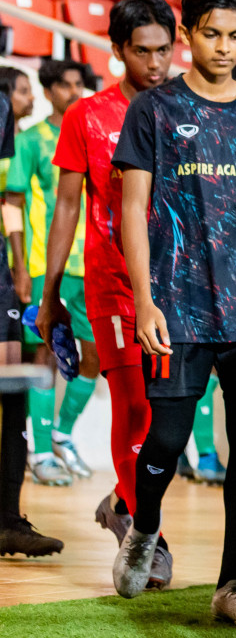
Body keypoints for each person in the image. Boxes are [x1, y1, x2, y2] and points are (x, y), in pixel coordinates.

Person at [109, 0, 236, 624]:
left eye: (235, 35)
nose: (224, 47)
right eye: (212, 34)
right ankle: (145, 527)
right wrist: (144, 299)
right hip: (177, 304)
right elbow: (132, 209)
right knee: (165, 437)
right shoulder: (154, 112)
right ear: (187, 36)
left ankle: (233, 584)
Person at [41, 0, 175, 583]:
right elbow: (67, 204)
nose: (154, 62)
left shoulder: (188, 109)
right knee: (134, 403)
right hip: (112, 282)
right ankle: (152, 533)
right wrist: (49, 293)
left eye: (164, 49)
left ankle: (123, 502)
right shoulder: (87, 116)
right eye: (141, 51)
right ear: (117, 51)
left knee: (168, 412)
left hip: (174, 282)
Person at [6, 59, 99, 487]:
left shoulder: (93, 135)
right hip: (50, 267)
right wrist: (22, 269)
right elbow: (14, 203)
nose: (75, 92)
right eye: (67, 85)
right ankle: (40, 451)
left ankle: (62, 433)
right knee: (44, 357)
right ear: (49, 90)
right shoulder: (31, 142)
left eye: (81, 84)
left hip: (95, 266)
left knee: (95, 358)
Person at [0, 66, 59, 558]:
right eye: (20, 89)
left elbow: (10, 206)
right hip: (16, 270)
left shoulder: (15, 133)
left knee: (14, 390)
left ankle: (8, 519)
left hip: (10, 276)